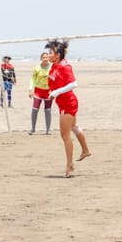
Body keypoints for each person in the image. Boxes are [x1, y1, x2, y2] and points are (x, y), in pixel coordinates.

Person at [46, 40, 91, 178]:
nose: (48, 55)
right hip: (62, 102)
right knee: (75, 127)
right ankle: (85, 150)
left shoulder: (65, 67)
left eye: (50, 53)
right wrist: (51, 93)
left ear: (58, 55)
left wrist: (56, 93)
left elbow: (73, 84)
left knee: (65, 136)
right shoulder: (53, 66)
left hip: (68, 103)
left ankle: (70, 165)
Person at [28, 52, 52, 135]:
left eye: (47, 57)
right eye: (44, 57)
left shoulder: (52, 68)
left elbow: (54, 79)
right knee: (35, 109)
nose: (45, 59)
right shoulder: (37, 68)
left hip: (48, 91)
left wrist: (53, 90)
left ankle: (48, 130)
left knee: (47, 111)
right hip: (38, 91)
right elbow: (33, 79)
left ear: (49, 58)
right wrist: (30, 89)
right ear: (41, 59)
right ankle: (33, 129)